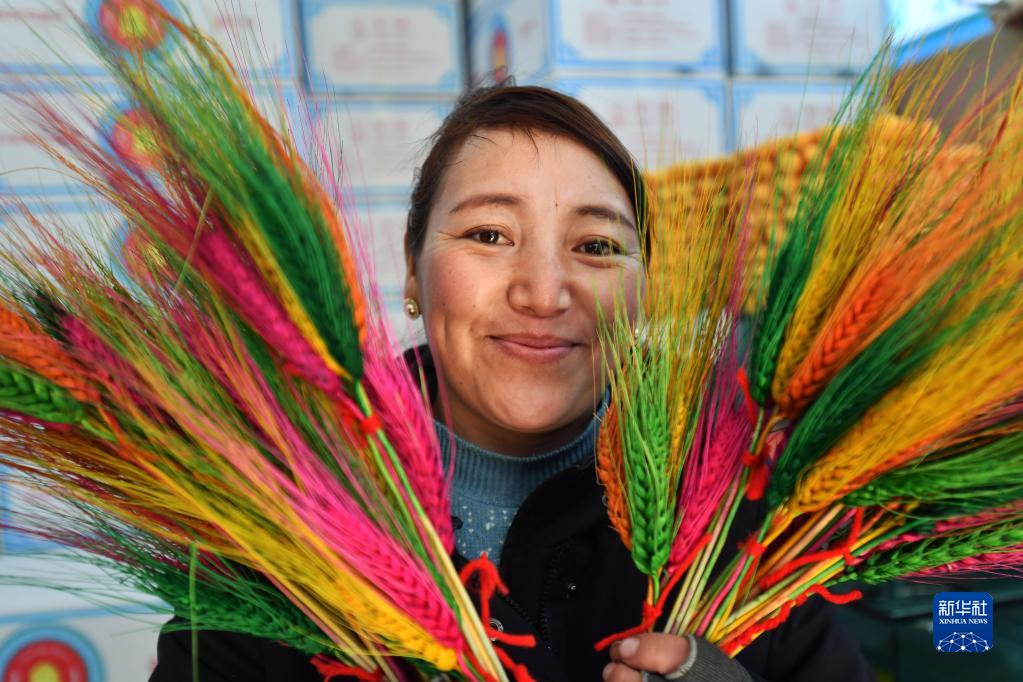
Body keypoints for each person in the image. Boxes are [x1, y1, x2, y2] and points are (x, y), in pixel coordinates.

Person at [151, 85, 875, 682]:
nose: (543, 293)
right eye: (489, 235)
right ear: (412, 269)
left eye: (596, 245)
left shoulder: (736, 523)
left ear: (645, 291)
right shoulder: (278, 522)